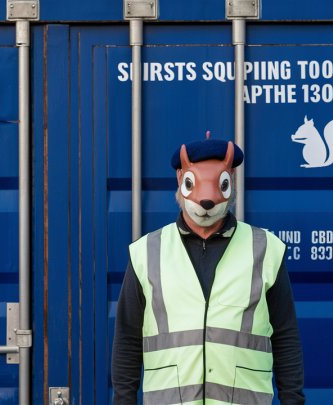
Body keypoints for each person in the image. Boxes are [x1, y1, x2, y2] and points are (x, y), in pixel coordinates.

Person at [111, 136, 305, 404]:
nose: (206, 202)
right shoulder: (146, 253)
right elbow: (127, 340)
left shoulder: (265, 249)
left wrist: (293, 400)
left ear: (231, 180)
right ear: (180, 179)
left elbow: (285, 337)